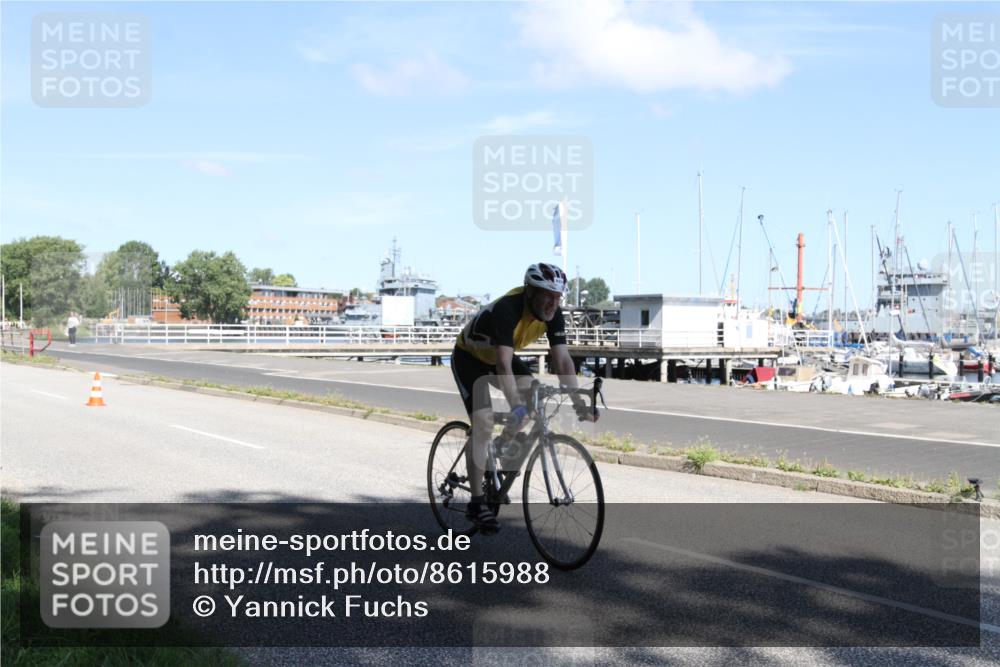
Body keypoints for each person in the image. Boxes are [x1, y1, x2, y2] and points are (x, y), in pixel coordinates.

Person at [450, 262, 598, 533]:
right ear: (530, 292)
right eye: (547, 296)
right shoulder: (508, 309)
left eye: (557, 297)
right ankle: (476, 501)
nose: (553, 303)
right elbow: (504, 365)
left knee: (534, 399)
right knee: (483, 423)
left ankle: (497, 448)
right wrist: (515, 405)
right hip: (469, 358)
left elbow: (563, 360)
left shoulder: (554, 315)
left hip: (495, 357)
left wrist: (578, 402)